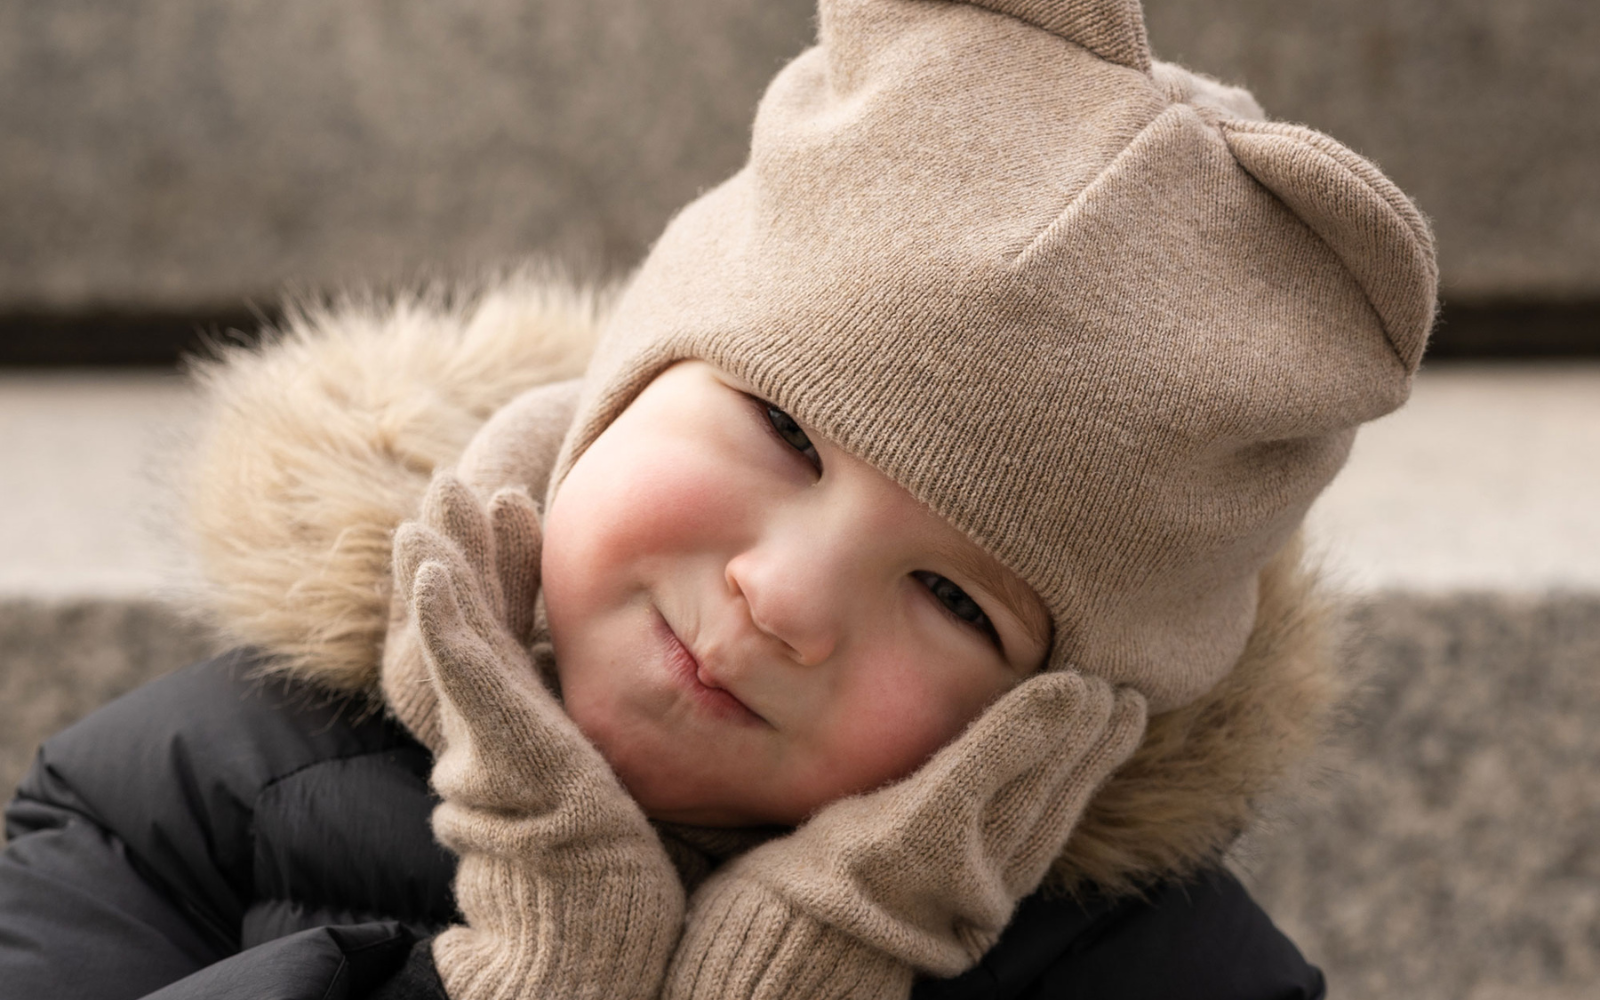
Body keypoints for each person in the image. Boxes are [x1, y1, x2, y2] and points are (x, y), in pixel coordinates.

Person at [0, 1, 1436, 997]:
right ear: (624, 388)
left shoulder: (1156, 968)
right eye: (785, 433)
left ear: (1047, 727)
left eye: (953, 598)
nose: (786, 599)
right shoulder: (187, 800)